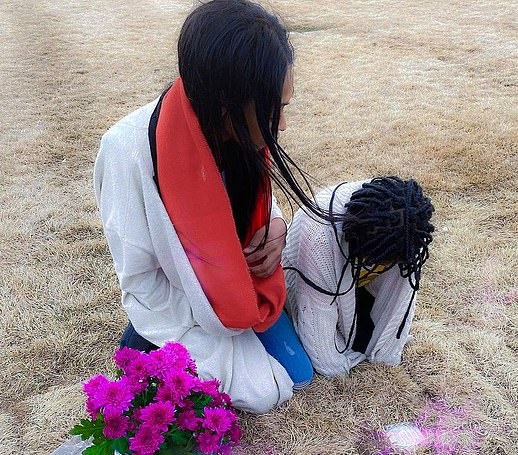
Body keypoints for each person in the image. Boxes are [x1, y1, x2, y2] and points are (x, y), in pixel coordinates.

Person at [94, 0, 324, 414]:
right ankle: (150, 359)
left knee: (299, 375)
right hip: (179, 312)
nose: (282, 126)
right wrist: (215, 322)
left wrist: (276, 228)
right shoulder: (127, 150)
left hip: (241, 293)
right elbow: (142, 284)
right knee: (264, 392)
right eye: (275, 110)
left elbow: (258, 204)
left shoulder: (242, 134)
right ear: (226, 103)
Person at [283, 177, 435, 377]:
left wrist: (387, 350)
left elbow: (402, 295)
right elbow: (320, 340)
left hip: (357, 279)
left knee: (368, 337)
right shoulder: (318, 238)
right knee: (328, 353)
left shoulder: (406, 225)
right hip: (310, 277)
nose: (383, 266)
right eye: (377, 260)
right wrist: (338, 363)